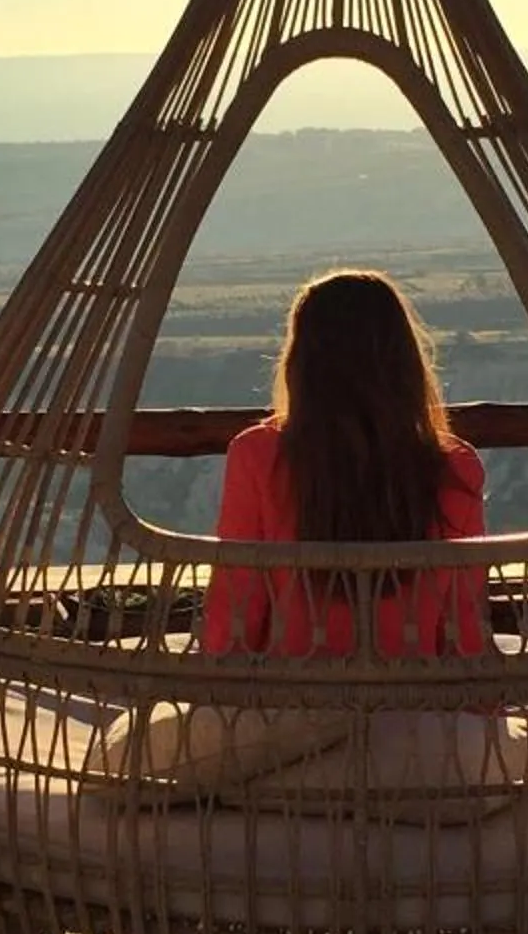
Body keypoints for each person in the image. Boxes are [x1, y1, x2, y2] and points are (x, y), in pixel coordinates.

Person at [201, 269, 488, 657]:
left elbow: (237, 605)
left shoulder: (257, 455)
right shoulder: (455, 467)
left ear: (301, 360)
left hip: (288, 703)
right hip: (414, 704)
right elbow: (462, 621)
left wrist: (219, 694)